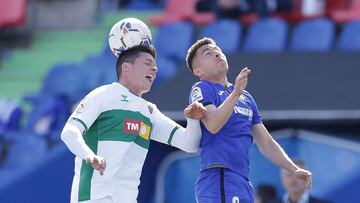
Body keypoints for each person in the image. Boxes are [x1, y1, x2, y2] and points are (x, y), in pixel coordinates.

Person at [61, 45, 206, 203]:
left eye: (155, 65)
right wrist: (89, 156)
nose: (155, 69)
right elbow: (69, 131)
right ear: (126, 67)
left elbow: (189, 144)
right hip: (94, 198)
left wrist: (193, 120)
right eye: (148, 63)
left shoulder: (149, 112)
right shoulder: (103, 95)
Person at [185, 37, 312, 203]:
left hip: (242, 180)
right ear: (198, 71)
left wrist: (293, 169)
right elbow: (213, 124)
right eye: (208, 53)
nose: (217, 54)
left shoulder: (246, 97)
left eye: (218, 50)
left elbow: (266, 142)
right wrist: (236, 93)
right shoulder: (202, 88)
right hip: (219, 177)